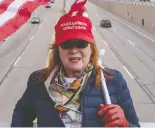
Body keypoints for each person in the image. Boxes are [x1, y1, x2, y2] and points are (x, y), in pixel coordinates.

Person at [11, 8, 140, 127]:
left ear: (91, 49)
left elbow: (135, 125)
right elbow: (21, 116)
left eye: (81, 43)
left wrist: (125, 124)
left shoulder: (113, 80)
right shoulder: (39, 81)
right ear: (58, 50)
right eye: (67, 44)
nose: (74, 50)